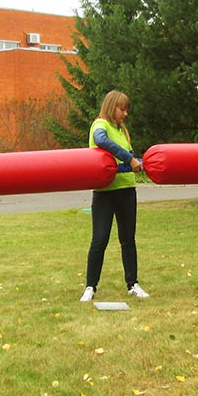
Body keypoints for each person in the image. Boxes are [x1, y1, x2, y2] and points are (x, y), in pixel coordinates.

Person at [80, 90, 148, 302]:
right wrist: (129, 158)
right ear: (111, 107)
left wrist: (135, 163)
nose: (125, 113)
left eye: (127, 109)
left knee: (128, 240)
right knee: (99, 240)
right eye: (122, 108)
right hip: (105, 193)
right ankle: (90, 287)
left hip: (127, 190)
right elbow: (101, 141)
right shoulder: (100, 125)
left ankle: (133, 284)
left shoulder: (122, 131)